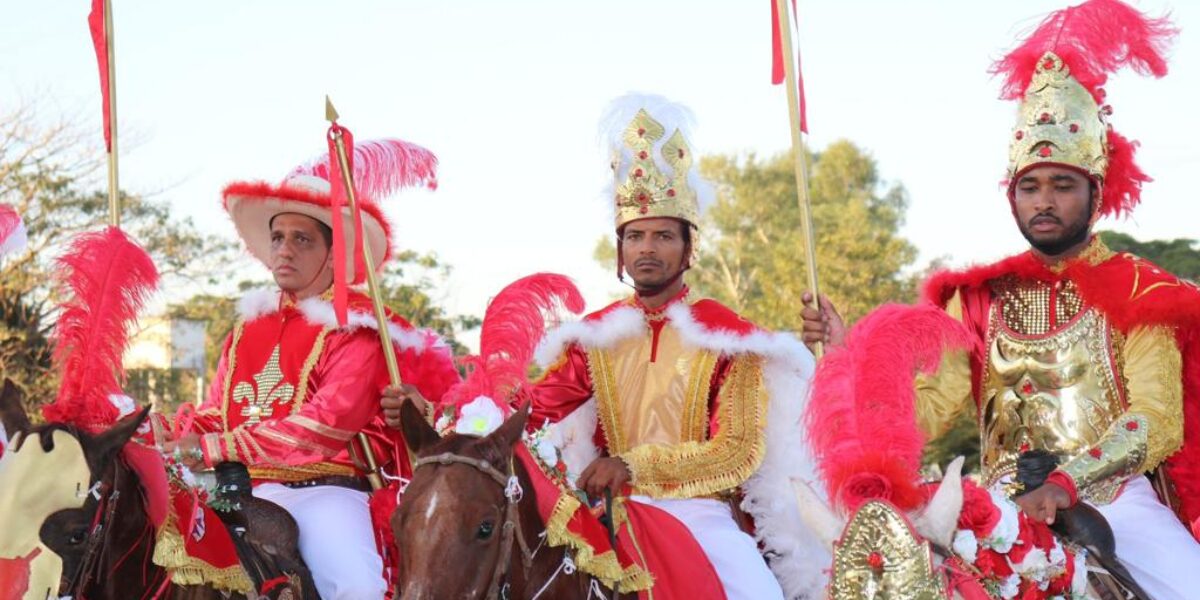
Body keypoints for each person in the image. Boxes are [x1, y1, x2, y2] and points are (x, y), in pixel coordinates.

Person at [801, 2, 1200, 597]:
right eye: (1030, 187)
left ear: (1095, 194)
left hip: (1114, 501)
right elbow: (927, 411)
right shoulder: (979, 301)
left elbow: (1156, 420)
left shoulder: (1142, 291)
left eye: (1062, 185)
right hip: (996, 506)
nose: (1044, 201)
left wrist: (1067, 483)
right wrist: (848, 362)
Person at [511, 94, 825, 599]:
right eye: (634, 237)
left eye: (662, 236)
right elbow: (529, 409)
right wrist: (445, 413)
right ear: (620, 249)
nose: (647, 250)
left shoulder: (727, 337)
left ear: (688, 247)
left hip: (700, 513)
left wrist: (634, 465)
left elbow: (736, 453)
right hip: (607, 510)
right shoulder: (595, 336)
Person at [163, 143, 460, 599]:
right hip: (234, 489)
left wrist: (210, 445)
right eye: (278, 236)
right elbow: (216, 413)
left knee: (356, 585)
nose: (284, 249)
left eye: (302, 239)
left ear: (332, 255)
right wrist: (163, 434)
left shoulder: (356, 331)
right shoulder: (246, 330)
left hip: (323, 494)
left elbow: (323, 427)